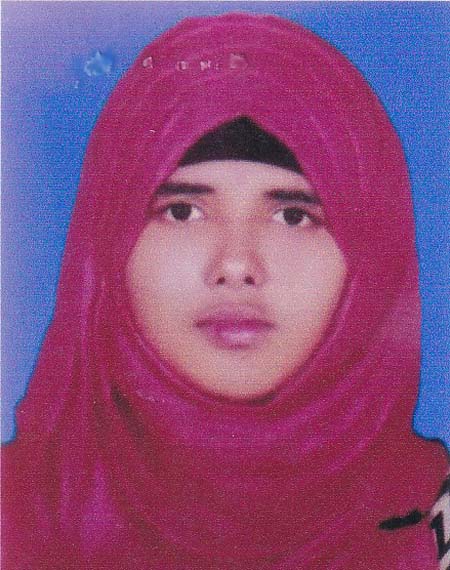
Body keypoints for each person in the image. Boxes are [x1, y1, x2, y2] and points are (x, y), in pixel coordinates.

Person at [2, 12, 448, 569]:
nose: (236, 264)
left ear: (371, 268)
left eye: (293, 216)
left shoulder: (432, 531)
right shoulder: (15, 520)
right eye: (182, 211)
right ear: (107, 245)